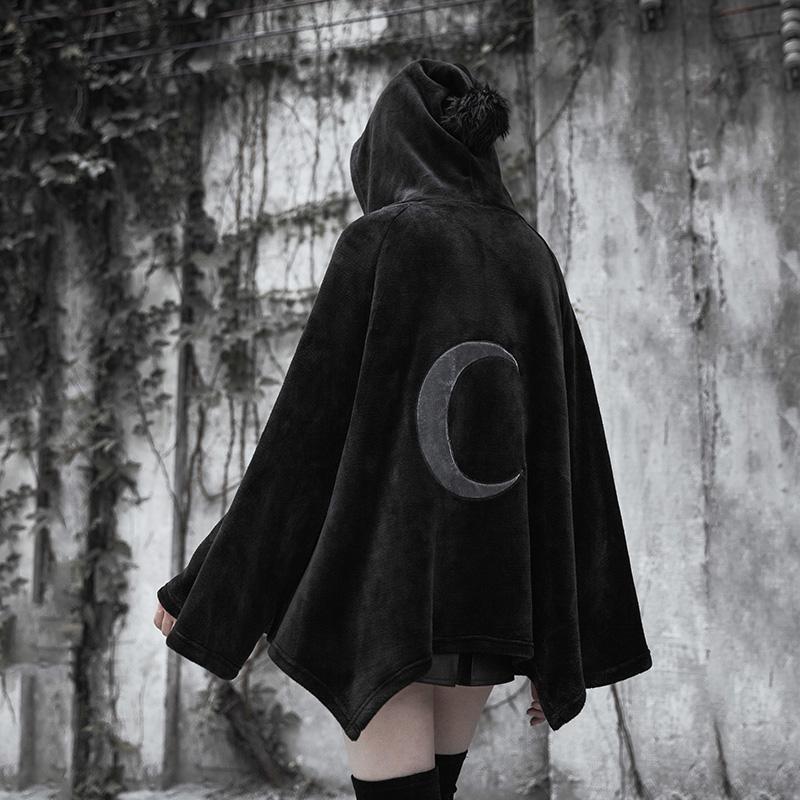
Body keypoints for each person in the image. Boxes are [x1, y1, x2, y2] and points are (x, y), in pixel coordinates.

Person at [154, 58, 652, 800]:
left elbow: (302, 439)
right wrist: (565, 638)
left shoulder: (385, 240)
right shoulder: (531, 255)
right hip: (493, 591)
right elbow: (571, 448)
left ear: (387, 151)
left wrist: (205, 589)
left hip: (392, 589)